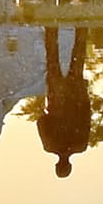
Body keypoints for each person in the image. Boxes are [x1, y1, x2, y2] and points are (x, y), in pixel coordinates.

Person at [36, 26, 93, 175]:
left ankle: (82, 27)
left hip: (77, 98)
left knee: (78, 55)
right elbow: (41, 121)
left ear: (69, 166)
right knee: (52, 57)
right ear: (57, 165)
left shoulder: (80, 145)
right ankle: (51, 27)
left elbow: (87, 117)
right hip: (57, 101)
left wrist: (84, 96)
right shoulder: (50, 145)